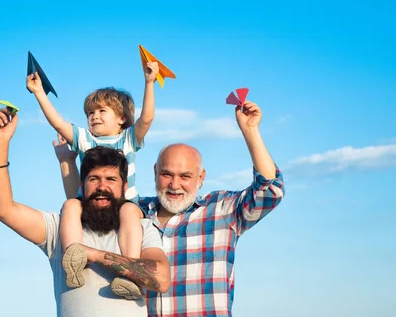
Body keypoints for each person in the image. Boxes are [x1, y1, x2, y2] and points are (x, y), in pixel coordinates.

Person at [55, 100, 285, 316]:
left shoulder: (221, 211)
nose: (175, 185)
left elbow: (269, 191)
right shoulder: (135, 213)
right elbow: (87, 198)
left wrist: (250, 131)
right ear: (155, 172)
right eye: (167, 175)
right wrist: (66, 160)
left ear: (201, 177)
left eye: (185, 176)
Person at [0, 107, 170, 317]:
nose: (102, 187)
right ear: (82, 185)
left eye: (111, 180)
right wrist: (0, 143)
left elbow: (162, 279)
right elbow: (2, 209)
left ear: (124, 187)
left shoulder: (141, 228)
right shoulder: (59, 228)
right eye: (94, 179)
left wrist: (95, 255)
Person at [26, 60, 160, 298]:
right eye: (90, 113)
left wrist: (149, 83)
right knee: (70, 205)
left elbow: (147, 119)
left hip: (124, 204)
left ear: (121, 118)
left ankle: (129, 275)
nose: (94, 117)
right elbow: (57, 122)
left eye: (101, 111)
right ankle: (74, 260)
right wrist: (39, 93)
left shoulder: (128, 139)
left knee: (129, 212)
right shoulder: (84, 139)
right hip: (92, 204)